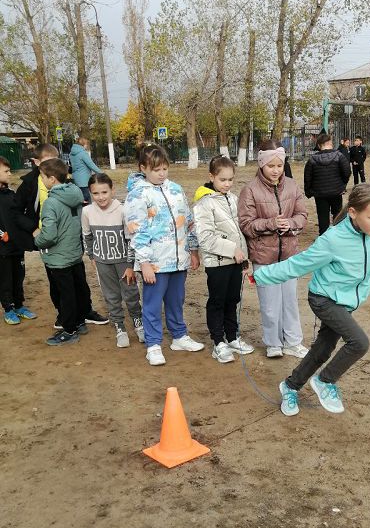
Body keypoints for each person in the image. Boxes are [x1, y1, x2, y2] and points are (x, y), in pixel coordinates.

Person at [253, 183, 370, 416]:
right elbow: (298, 264)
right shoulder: (333, 239)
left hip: (346, 300)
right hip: (324, 299)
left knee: (323, 350)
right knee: (359, 342)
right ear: (353, 212)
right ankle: (325, 381)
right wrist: (259, 275)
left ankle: (290, 386)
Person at [124, 144, 203, 365]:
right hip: (155, 263)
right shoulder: (137, 195)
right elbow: (136, 231)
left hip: (179, 259)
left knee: (176, 300)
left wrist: (193, 250)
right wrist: (144, 262)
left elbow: (188, 221)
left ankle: (179, 336)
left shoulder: (175, 189)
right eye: (156, 170)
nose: (161, 174)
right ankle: (153, 345)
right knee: (152, 304)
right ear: (143, 168)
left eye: (165, 169)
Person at [14, 142, 107, 328]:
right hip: (48, 241)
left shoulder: (66, 183)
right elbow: (16, 212)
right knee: (58, 282)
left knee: (78, 279)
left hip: (69, 240)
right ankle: (64, 315)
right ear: (37, 162)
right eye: (48, 162)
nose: (54, 166)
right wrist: (34, 230)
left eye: (57, 161)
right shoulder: (29, 184)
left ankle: (85, 311)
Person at [238, 140, 308, 359]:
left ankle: (293, 342)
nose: (276, 170)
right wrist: (270, 223)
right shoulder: (250, 190)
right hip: (263, 257)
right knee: (269, 304)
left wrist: (291, 223)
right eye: (271, 166)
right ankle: (273, 343)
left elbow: (302, 215)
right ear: (261, 164)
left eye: (279, 165)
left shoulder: (293, 186)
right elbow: (246, 224)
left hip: (289, 256)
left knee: (290, 301)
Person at [193, 155, 254, 364]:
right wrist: (232, 249)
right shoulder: (204, 203)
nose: (227, 184)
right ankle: (218, 342)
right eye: (222, 180)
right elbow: (205, 238)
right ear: (212, 177)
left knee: (233, 300)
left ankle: (232, 336)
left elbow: (239, 230)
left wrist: (244, 256)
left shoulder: (233, 199)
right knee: (217, 302)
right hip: (217, 263)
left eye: (230, 179)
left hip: (236, 262)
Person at [81, 173, 144, 349]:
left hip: (123, 262)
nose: (100, 197)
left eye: (104, 192)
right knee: (111, 296)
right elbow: (87, 235)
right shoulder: (87, 211)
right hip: (102, 262)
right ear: (90, 193)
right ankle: (119, 327)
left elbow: (130, 239)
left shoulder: (123, 210)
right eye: (95, 193)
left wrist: (130, 264)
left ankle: (138, 323)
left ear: (112, 190)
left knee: (131, 293)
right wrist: (92, 256)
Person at [34, 158, 88, 345]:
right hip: (74, 253)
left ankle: (69, 329)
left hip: (58, 258)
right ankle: (80, 321)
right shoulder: (76, 194)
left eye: (42, 177)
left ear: (52, 179)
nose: (41, 180)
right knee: (78, 289)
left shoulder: (51, 202)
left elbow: (49, 234)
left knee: (65, 295)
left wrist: (37, 240)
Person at [0, 156, 37, 325]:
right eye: (6, 171)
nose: (10, 174)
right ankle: (8, 308)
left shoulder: (11, 194)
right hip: (2, 249)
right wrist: (2, 234)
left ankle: (19, 305)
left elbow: (18, 216)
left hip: (17, 245)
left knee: (19, 276)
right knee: (5, 279)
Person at [303, 132, 350, 235]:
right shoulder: (339, 156)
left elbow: (307, 177)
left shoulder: (312, 159)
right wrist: (342, 185)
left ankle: (323, 237)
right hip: (336, 191)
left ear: (319, 145)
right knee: (338, 215)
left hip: (320, 194)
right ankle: (338, 236)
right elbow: (347, 172)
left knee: (322, 217)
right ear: (330, 143)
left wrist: (309, 191)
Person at [69, 136, 102, 202]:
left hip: (75, 178)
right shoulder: (83, 153)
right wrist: (101, 173)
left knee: (80, 198)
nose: (87, 146)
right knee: (86, 199)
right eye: (86, 144)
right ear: (83, 144)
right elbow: (91, 164)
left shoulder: (71, 153)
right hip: (83, 180)